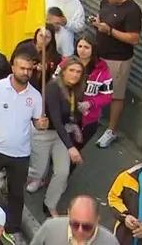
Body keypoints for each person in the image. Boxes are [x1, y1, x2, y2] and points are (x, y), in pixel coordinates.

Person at [0, 47, 49, 241]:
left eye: (29, 69)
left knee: (17, 194)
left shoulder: (36, 96)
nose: (26, 72)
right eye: (22, 68)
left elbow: (36, 122)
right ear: (13, 67)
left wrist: (41, 124)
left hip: (20, 154)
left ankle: (12, 228)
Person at [27, 57, 86, 216]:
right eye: (71, 70)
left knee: (62, 172)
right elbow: (56, 119)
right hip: (44, 133)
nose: (75, 75)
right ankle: (8, 173)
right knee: (38, 172)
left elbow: (70, 115)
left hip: (61, 134)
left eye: (78, 72)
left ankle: (50, 204)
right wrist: (71, 147)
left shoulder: (76, 89)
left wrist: (76, 123)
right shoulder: (53, 87)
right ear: (63, 71)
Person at [94, 0, 142, 149]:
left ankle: (111, 130)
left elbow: (134, 39)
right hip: (100, 53)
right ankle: (94, 117)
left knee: (116, 95)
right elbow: (103, 18)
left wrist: (110, 31)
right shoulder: (105, 2)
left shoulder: (132, 10)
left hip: (118, 59)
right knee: (96, 87)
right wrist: (98, 24)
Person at [29, 195, 118, 245]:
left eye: (87, 227)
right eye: (75, 225)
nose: (80, 231)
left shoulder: (110, 242)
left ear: (97, 219)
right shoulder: (50, 227)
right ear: (69, 214)